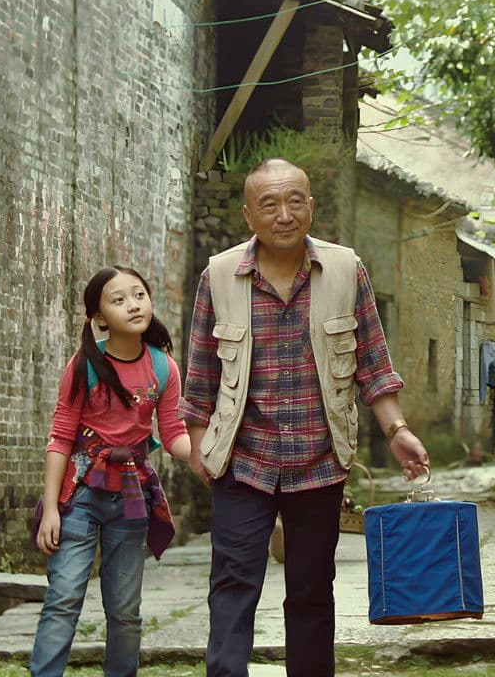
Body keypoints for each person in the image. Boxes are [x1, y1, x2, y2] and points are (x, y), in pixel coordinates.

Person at [179, 158, 432, 676]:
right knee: (232, 587)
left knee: (312, 591)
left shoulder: (345, 270)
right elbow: (200, 374)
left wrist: (398, 431)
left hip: (319, 462)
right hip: (241, 461)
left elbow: (374, 367)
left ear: (312, 207)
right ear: (249, 215)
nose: (284, 214)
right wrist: (199, 445)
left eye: (295, 200)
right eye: (269, 204)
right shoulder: (220, 276)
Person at [30, 265, 192, 677]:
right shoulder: (84, 364)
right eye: (117, 300)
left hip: (131, 500)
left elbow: (173, 434)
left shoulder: (163, 368)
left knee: (124, 611)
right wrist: (50, 509)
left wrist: (208, 455)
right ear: (99, 317)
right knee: (63, 598)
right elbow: (61, 438)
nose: (132, 305)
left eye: (138, 295)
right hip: (79, 498)